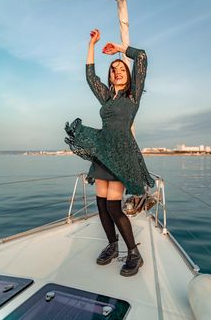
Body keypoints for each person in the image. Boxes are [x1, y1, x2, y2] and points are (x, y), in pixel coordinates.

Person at [65, 29, 155, 277]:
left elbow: (143, 57)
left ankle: (134, 253)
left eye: (122, 69)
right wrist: (91, 44)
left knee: (115, 207)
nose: (117, 72)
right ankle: (112, 245)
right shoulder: (106, 97)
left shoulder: (133, 95)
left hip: (122, 154)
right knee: (102, 205)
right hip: (103, 152)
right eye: (114, 70)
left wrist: (120, 49)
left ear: (127, 75)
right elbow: (89, 75)